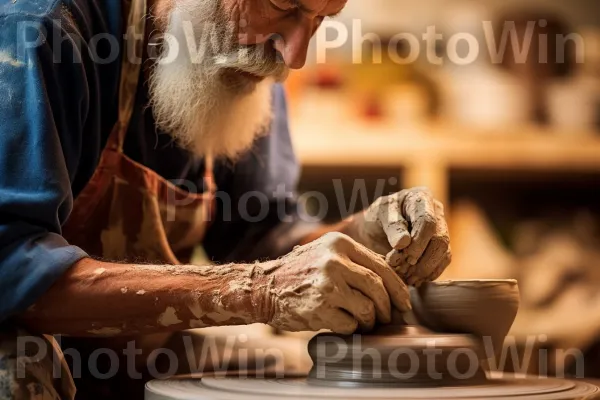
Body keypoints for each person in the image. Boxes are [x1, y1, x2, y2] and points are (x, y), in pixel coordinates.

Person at [0, 0, 451, 398]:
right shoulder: (47, 28)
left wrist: (360, 234)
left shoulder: (245, 66)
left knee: (302, 373)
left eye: (321, 19)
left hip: (129, 349)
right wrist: (258, 291)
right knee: (18, 367)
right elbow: (9, 268)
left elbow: (260, 235)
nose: (293, 57)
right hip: (30, 334)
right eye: (283, 5)